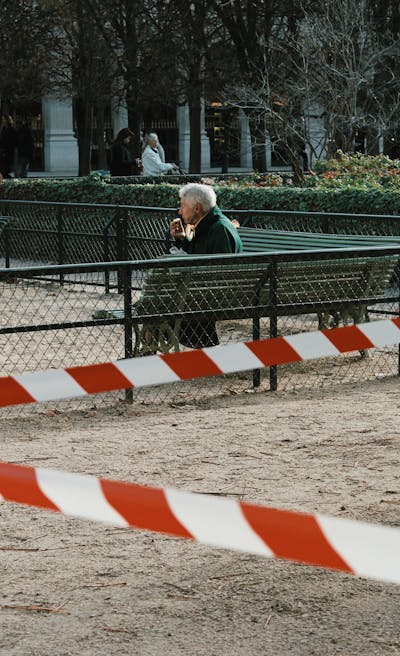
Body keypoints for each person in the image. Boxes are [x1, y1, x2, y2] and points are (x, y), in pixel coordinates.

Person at [168, 183, 243, 348]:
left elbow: (219, 274)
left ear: (197, 208)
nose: (180, 211)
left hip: (215, 297)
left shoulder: (219, 230)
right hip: (205, 293)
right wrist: (182, 240)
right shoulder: (207, 225)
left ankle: (145, 351)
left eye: (183, 206)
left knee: (162, 306)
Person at [0, 114, 18, 179]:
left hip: (7, 152)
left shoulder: (11, 130)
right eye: (2, 119)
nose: (3, 121)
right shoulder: (3, 129)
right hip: (3, 152)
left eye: (4, 119)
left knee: (4, 169)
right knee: (3, 170)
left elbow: (14, 142)